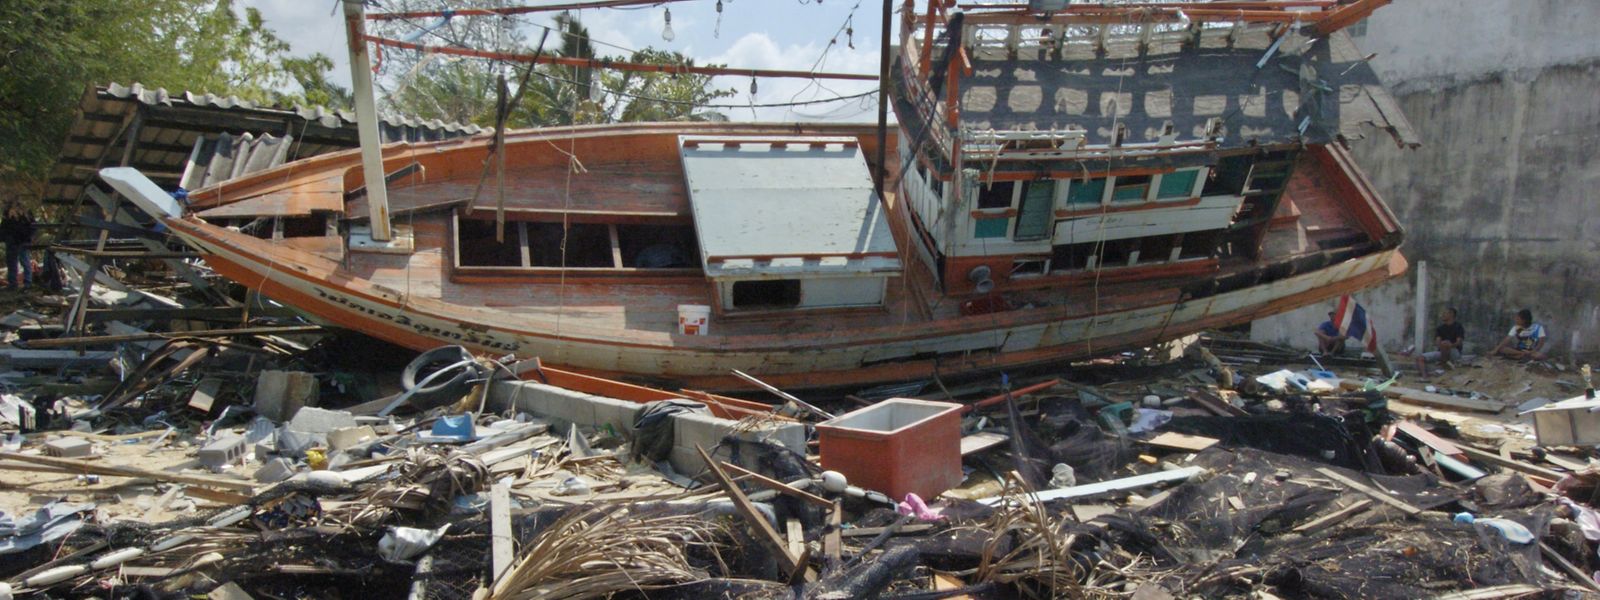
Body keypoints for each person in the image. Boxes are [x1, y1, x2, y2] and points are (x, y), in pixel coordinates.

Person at [1416, 307, 1466, 373]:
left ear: (1451, 314)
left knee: (1445, 343)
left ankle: (1443, 364)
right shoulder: (1440, 328)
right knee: (1420, 358)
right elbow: (1438, 342)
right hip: (1442, 352)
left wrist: (1449, 345)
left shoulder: (1458, 327)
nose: (1442, 315)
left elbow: (1459, 342)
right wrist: (1443, 345)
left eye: (1445, 313)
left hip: (1454, 352)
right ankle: (1424, 378)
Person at [0, 203, 34, 289]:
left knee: (24, 260)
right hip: (13, 240)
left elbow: (32, 226)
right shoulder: (8, 212)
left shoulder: (25, 212)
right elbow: (4, 227)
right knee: (13, 262)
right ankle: (13, 283)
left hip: (21, 240)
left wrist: (27, 236)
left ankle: (27, 282)